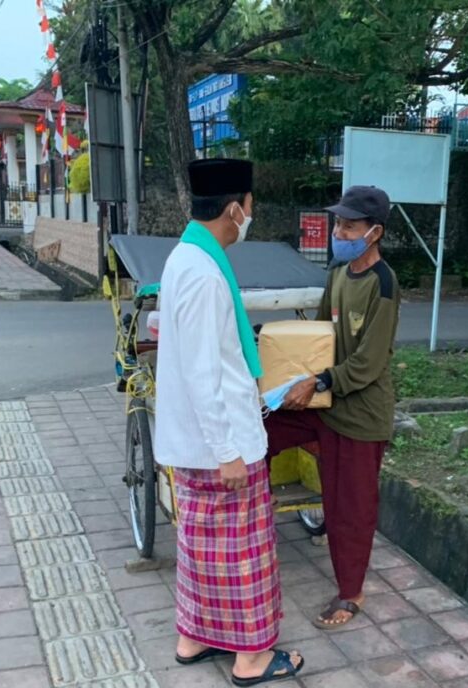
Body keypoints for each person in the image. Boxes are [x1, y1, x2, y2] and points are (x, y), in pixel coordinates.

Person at [154, 158, 304, 686]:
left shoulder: (189, 257)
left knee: (201, 551)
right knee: (245, 556)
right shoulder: (201, 272)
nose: (251, 215)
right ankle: (252, 658)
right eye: (251, 206)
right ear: (235, 208)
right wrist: (227, 450)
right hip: (219, 445)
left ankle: (195, 637)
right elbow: (201, 372)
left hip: (199, 444)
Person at [266, 185, 400, 629]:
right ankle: (243, 529)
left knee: (350, 509)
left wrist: (320, 380)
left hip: (359, 414)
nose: (338, 231)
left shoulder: (383, 284)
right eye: (337, 223)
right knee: (258, 431)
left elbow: (368, 363)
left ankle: (351, 592)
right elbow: (320, 336)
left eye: (349, 225)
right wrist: (283, 367)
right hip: (323, 400)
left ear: (374, 232)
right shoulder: (339, 272)